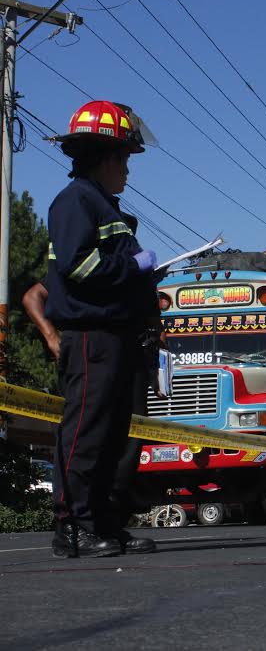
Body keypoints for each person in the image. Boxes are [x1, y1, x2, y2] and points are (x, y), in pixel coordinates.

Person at [45, 100, 161, 558]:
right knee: (86, 434)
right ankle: (73, 527)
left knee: (113, 437)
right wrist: (133, 266)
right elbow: (78, 266)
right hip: (91, 336)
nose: (128, 171)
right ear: (105, 158)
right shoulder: (76, 201)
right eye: (125, 159)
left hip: (116, 337)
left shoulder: (102, 205)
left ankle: (104, 523)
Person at [23, 281, 157, 535]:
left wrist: (156, 363)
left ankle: (108, 521)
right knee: (87, 439)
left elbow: (153, 323)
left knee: (123, 445)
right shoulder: (92, 268)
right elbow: (33, 296)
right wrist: (52, 337)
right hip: (92, 354)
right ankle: (75, 524)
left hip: (129, 356)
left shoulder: (134, 272)